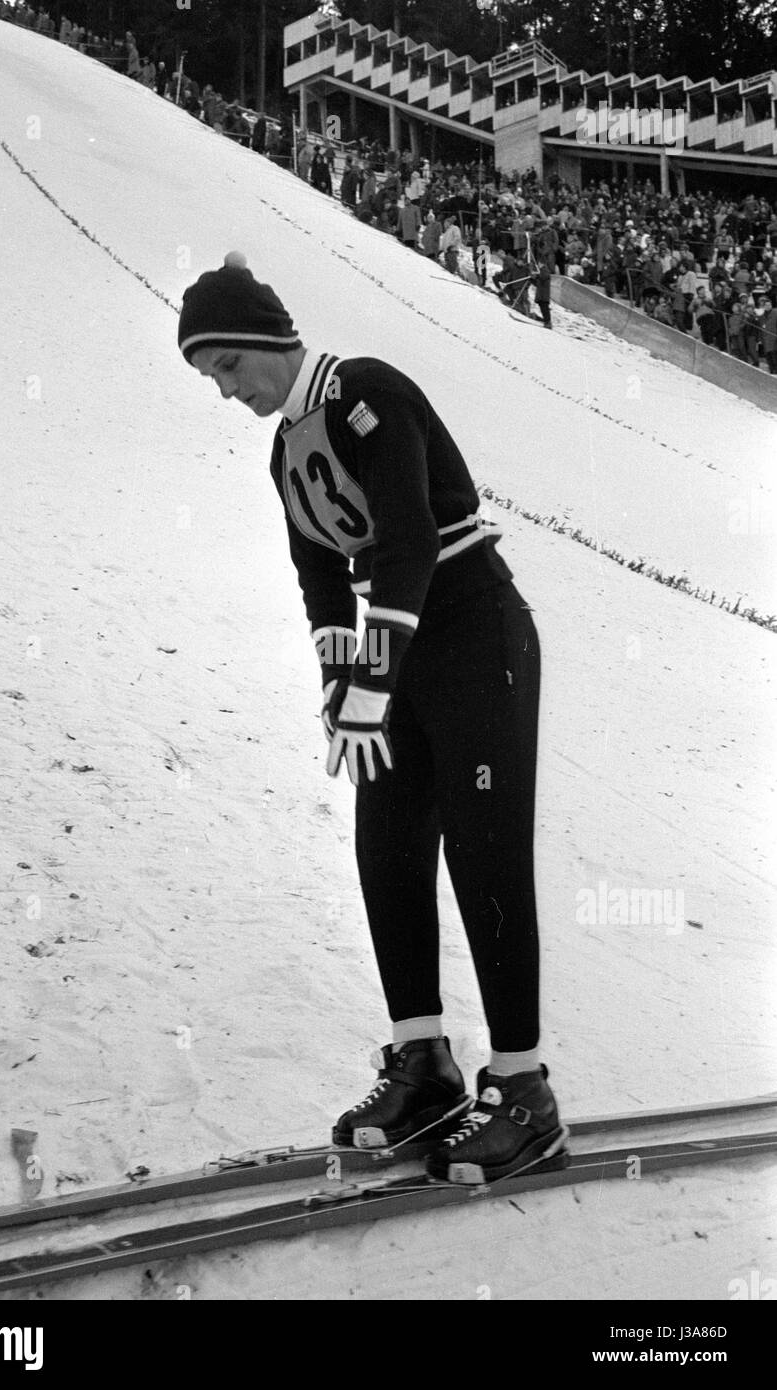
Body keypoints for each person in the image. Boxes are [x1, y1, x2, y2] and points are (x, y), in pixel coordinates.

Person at [176, 253, 567, 1186]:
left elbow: (406, 541)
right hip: (403, 656)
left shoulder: (366, 391)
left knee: (483, 853)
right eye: (211, 378)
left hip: (474, 631)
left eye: (227, 366)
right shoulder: (285, 448)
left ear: (266, 340)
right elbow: (323, 581)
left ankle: (521, 1092)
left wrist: (372, 678)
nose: (227, 392)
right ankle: (422, 1064)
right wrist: (340, 686)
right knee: (384, 844)